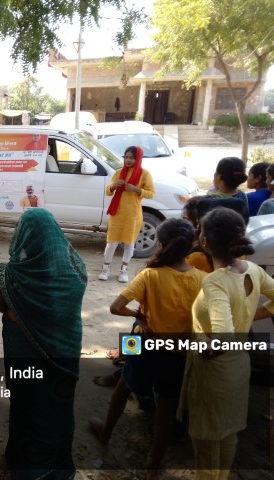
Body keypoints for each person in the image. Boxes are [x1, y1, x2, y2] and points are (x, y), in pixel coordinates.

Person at [89, 218, 206, 479]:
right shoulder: (203, 278)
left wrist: (139, 316)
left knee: (123, 385)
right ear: (191, 245)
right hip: (180, 351)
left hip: (143, 341)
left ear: (161, 244)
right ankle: (153, 465)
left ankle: (106, 431)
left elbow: (115, 307)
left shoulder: (150, 275)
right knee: (167, 407)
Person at [178, 207, 274, 480]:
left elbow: (223, 337)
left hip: (214, 373)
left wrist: (205, 346)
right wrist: (247, 315)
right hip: (238, 368)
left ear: (205, 241)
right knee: (227, 433)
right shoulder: (252, 270)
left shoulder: (216, 282)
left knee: (208, 441)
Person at [0, 209, 87, 480]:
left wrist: (16, 309)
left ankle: (23, 466)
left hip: (24, 354)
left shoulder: (12, 274)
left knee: (26, 406)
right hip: (64, 354)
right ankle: (56, 467)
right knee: (57, 409)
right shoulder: (75, 267)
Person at [99, 145, 155, 283]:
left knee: (129, 243)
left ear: (138, 159)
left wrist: (136, 190)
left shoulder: (145, 174)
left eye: (132, 158)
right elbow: (108, 191)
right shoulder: (119, 172)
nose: (128, 160)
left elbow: (151, 193)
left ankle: (123, 271)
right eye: (126, 157)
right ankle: (105, 269)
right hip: (117, 213)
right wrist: (114, 185)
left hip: (132, 215)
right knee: (111, 242)